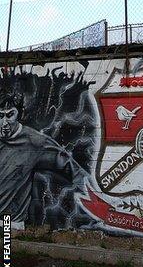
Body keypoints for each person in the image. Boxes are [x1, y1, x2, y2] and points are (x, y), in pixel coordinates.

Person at [0, 91, 85, 230]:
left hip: (9, 221)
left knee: (7, 251)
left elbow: (71, 168)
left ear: (19, 115)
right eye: (0, 115)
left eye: (10, 115)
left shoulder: (34, 142)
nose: (4, 122)